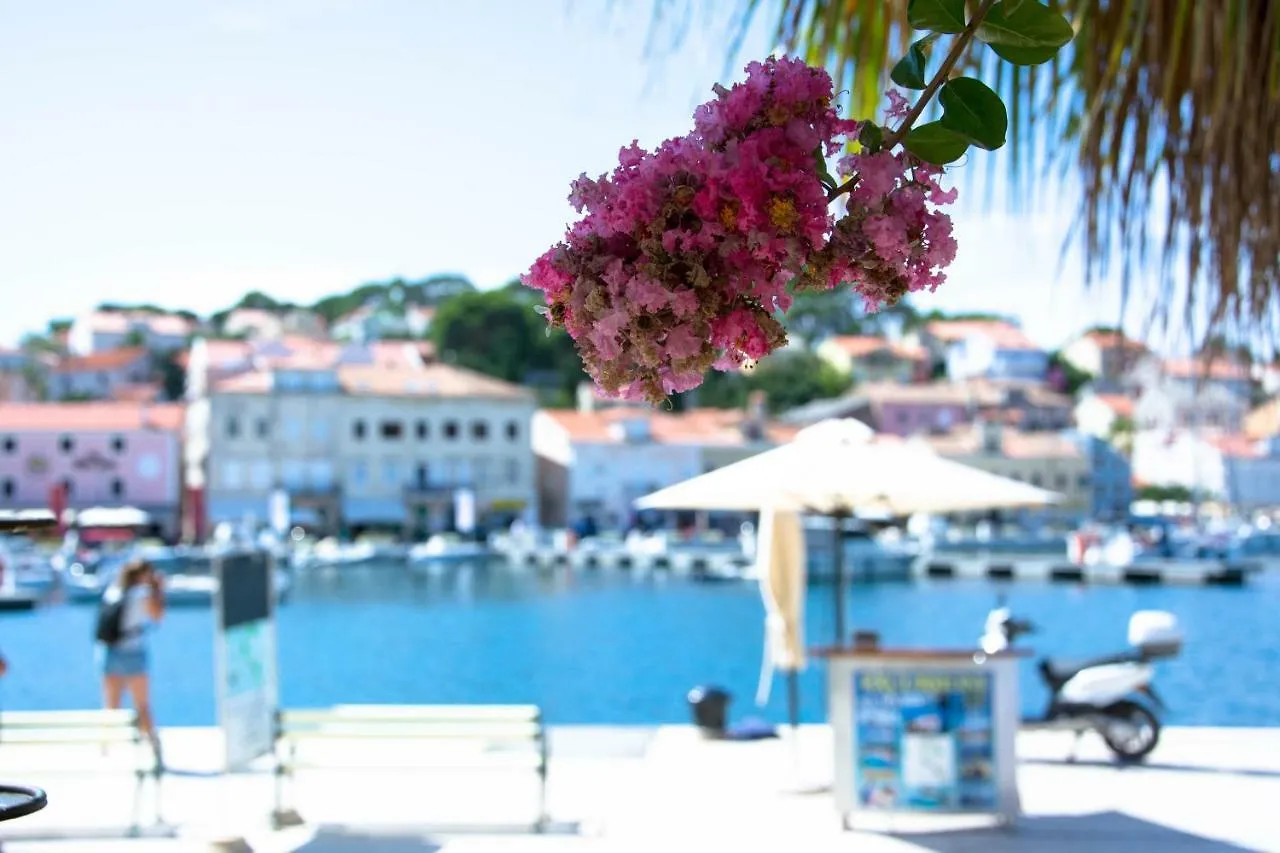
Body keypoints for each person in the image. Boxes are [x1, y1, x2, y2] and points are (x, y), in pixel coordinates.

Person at [97, 559, 165, 765]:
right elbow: (157, 616)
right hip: (132, 652)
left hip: (109, 652)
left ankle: (105, 749)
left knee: (111, 705)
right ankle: (154, 749)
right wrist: (158, 590)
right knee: (143, 705)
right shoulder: (142, 594)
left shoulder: (113, 590)